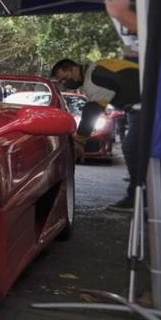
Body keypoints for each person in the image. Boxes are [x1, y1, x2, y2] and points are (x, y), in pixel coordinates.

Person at [51, 55, 140, 211]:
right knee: (140, 150)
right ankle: (142, 193)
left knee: (132, 149)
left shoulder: (94, 78)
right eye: (61, 83)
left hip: (146, 105)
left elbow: (91, 111)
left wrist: (79, 141)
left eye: (64, 79)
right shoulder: (95, 70)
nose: (64, 85)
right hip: (141, 104)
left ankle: (136, 198)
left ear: (73, 70)